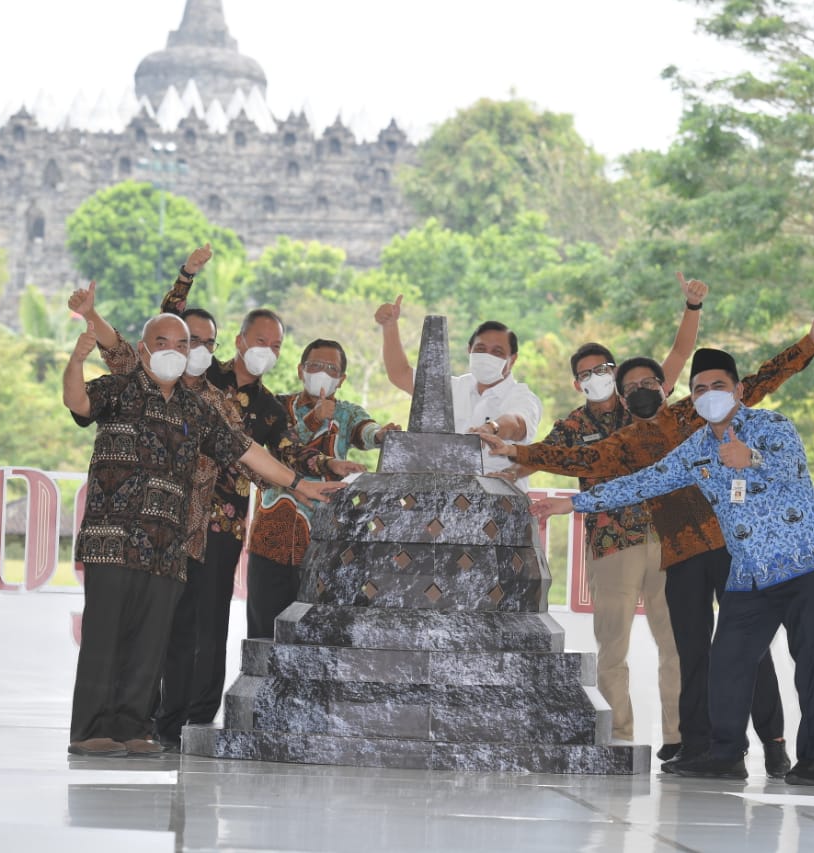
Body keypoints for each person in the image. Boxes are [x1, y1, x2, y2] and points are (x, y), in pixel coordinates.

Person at [486, 310, 814, 776]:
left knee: (793, 661)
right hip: (712, 562)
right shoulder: (660, 446)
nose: (641, 391)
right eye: (630, 389)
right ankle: (718, 751)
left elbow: (785, 440)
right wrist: (561, 493)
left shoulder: (743, 422)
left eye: (649, 382)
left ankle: (790, 750)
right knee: (714, 658)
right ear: (625, 401)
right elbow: (623, 476)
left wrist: (807, 346)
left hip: (782, 558)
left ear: (671, 387)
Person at [62, 312, 343, 758]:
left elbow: (247, 450)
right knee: (106, 634)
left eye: (181, 344)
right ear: (144, 348)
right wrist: (75, 362)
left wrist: (298, 483)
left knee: (151, 641)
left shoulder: (198, 409)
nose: (173, 352)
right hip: (113, 537)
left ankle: (135, 727)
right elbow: (78, 403)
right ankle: (91, 729)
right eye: (164, 342)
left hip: (168, 544)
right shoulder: (121, 387)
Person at [246, 339, 401, 638]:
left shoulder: (347, 413)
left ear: (342, 379)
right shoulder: (275, 406)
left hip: (323, 541)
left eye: (332, 369)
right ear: (300, 370)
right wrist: (315, 417)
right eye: (315, 365)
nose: (323, 373)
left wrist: (381, 435)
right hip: (271, 536)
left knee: (313, 631)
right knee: (265, 631)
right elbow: (278, 451)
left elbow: (365, 431)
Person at [375, 296, 542, 479]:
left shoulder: (522, 396)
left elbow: (517, 424)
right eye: (480, 349)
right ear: (469, 350)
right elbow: (400, 374)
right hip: (444, 492)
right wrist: (389, 327)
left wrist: (491, 428)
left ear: (513, 359)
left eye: (497, 352)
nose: (487, 356)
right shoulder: (450, 388)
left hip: (500, 492)